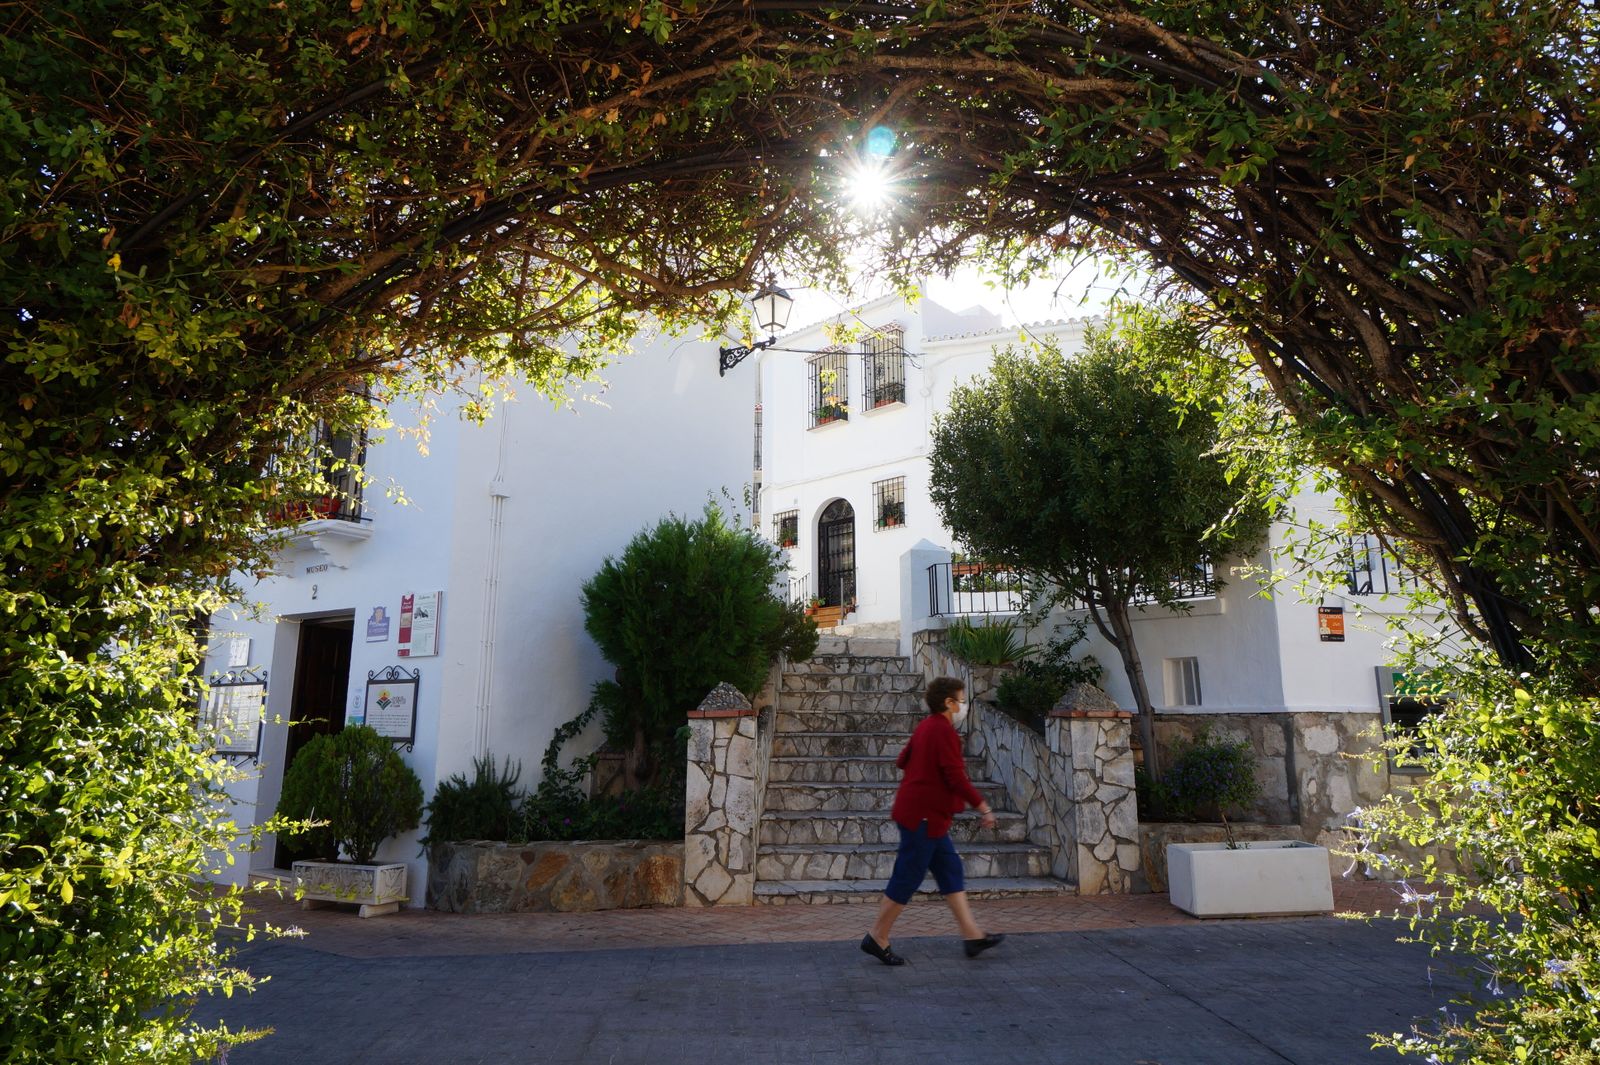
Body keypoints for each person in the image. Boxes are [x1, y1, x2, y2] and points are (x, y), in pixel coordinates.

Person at [860, 676, 1005, 965]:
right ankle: (877, 936)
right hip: (923, 818)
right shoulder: (943, 732)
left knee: (950, 870)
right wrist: (983, 806)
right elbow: (955, 776)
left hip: (927, 816)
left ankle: (972, 936)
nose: (963, 706)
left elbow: (902, 760)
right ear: (948, 703)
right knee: (908, 876)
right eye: (961, 700)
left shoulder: (925, 728)